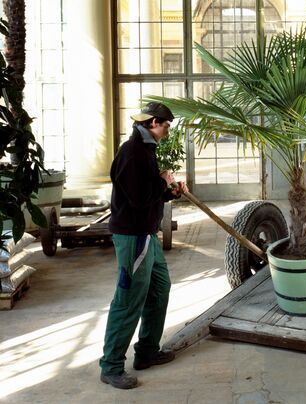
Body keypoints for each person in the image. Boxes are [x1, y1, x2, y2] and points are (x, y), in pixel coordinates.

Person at [99, 102, 189, 389]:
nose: (167, 130)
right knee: (128, 301)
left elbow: (146, 196)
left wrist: (168, 192)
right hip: (133, 237)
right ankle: (111, 366)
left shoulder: (146, 150)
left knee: (160, 288)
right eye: (165, 125)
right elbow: (139, 199)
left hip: (146, 235)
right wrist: (163, 181)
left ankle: (147, 351)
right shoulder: (134, 152)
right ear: (152, 123)